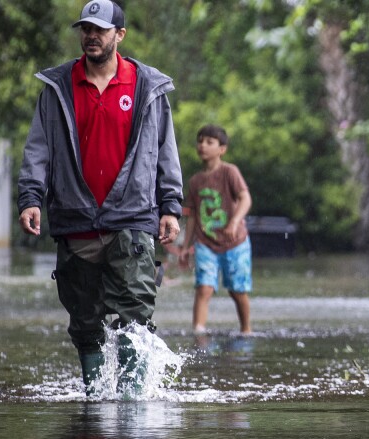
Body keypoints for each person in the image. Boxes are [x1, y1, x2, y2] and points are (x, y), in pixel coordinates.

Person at [18, 1, 183, 396]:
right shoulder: (58, 87)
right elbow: (38, 148)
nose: (91, 36)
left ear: (119, 35)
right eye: (86, 29)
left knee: (135, 315)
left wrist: (171, 206)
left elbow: (165, 150)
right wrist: (30, 198)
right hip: (76, 219)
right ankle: (95, 399)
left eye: (100, 30)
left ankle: (131, 404)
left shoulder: (148, 86)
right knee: (84, 322)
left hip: (133, 216)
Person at [186, 124, 253, 335]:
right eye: (200, 141)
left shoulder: (229, 172)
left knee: (237, 290)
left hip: (236, 241)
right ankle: (198, 332)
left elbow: (245, 198)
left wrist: (234, 222)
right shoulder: (195, 181)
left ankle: (246, 330)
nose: (202, 145)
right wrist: (185, 247)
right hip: (206, 242)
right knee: (203, 288)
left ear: (221, 149)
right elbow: (193, 216)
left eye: (209, 142)